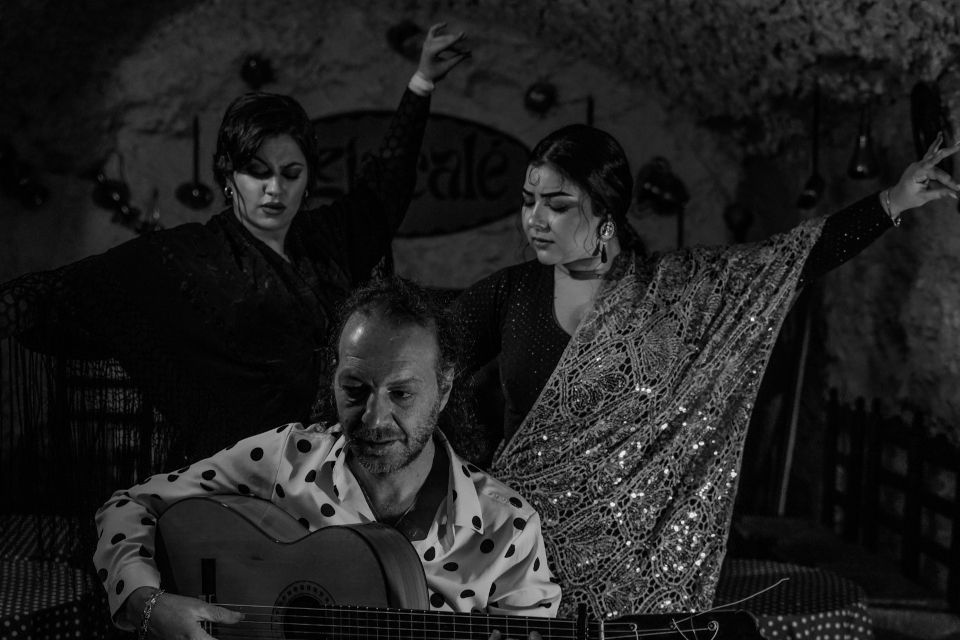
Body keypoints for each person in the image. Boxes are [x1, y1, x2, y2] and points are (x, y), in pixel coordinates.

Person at [452, 124, 960, 618]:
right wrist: (471, 467)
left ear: (606, 213)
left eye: (557, 205)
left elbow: (788, 259)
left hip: (631, 568)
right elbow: (428, 364)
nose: (534, 219)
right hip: (517, 556)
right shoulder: (511, 293)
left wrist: (893, 201)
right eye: (528, 201)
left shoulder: (676, 293)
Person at [0, 24, 469, 471]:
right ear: (228, 177)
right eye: (257, 172)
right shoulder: (187, 257)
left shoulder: (328, 237)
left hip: (340, 465)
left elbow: (385, 187)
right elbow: (64, 292)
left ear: (307, 179)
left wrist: (422, 82)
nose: (274, 189)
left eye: (290, 173)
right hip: (237, 474)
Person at [93, 277, 561, 639]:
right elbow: (130, 504)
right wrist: (147, 605)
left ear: (444, 390)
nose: (374, 418)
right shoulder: (286, 459)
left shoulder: (508, 529)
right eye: (354, 389)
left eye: (401, 393)